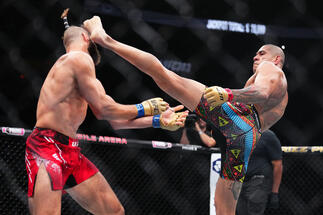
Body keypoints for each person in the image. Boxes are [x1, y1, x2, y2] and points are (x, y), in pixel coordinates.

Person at [83, 16, 288, 215]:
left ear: (276, 59)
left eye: (261, 53)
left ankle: (106, 40)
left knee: (165, 76)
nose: (256, 57)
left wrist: (228, 94)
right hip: (247, 138)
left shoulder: (271, 69)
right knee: (223, 208)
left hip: (238, 118)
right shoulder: (282, 92)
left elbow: (262, 93)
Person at [24, 22, 188, 214]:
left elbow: (116, 120)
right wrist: (144, 107)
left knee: (114, 211)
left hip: (69, 148)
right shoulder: (78, 58)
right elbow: (104, 110)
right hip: (47, 145)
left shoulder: (86, 78)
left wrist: (156, 120)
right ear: (86, 38)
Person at [236, 129, 283, 215]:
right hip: (240, 182)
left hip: (259, 181)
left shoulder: (267, 136)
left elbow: (278, 164)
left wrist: (275, 192)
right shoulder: (237, 135)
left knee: (254, 211)